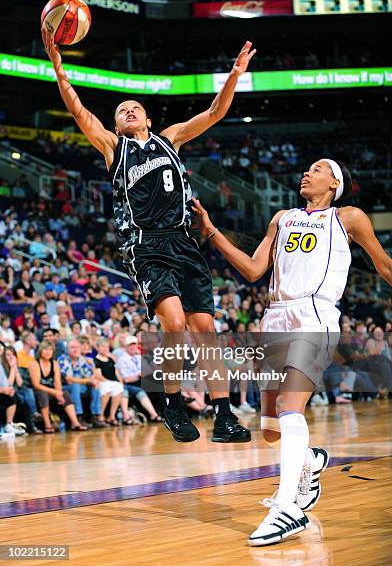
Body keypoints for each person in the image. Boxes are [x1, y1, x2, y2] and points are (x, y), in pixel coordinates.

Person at [42, 27, 255, 444]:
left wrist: (233, 75)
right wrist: (58, 66)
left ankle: (225, 416)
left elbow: (214, 112)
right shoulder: (111, 148)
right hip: (146, 245)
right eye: (121, 110)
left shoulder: (170, 139)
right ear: (116, 124)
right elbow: (78, 109)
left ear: (149, 119)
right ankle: (172, 405)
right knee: (174, 322)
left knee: (207, 332)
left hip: (183, 242)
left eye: (134, 107)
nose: (128, 111)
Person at [193, 158, 392, 545]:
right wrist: (212, 232)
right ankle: (312, 461)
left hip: (314, 314)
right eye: (307, 169)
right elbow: (252, 270)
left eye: (317, 169)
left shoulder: (348, 217)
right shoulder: (282, 217)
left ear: (335, 182)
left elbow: (383, 265)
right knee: (270, 429)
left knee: (289, 407)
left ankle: (286, 509)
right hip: (274, 318)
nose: (307, 173)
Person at [29, 340, 88, 433]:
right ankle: (47, 425)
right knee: (43, 394)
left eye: (50, 350)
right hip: (38, 390)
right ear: (40, 351)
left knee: (65, 393)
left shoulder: (54, 363)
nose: (48, 352)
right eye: (45, 349)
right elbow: (36, 385)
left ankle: (75, 423)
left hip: (52, 391)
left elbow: (57, 381)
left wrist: (59, 393)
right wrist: (54, 392)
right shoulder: (35, 364)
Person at [115, 335, 163, 422]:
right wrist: (139, 375)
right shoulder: (122, 359)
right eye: (130, 345)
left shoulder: (139, 357)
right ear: (126, 347)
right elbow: (126, 379)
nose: (133, 347)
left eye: (134, 344)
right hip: (130, 384)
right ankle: (155, 414)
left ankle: (159, 413)